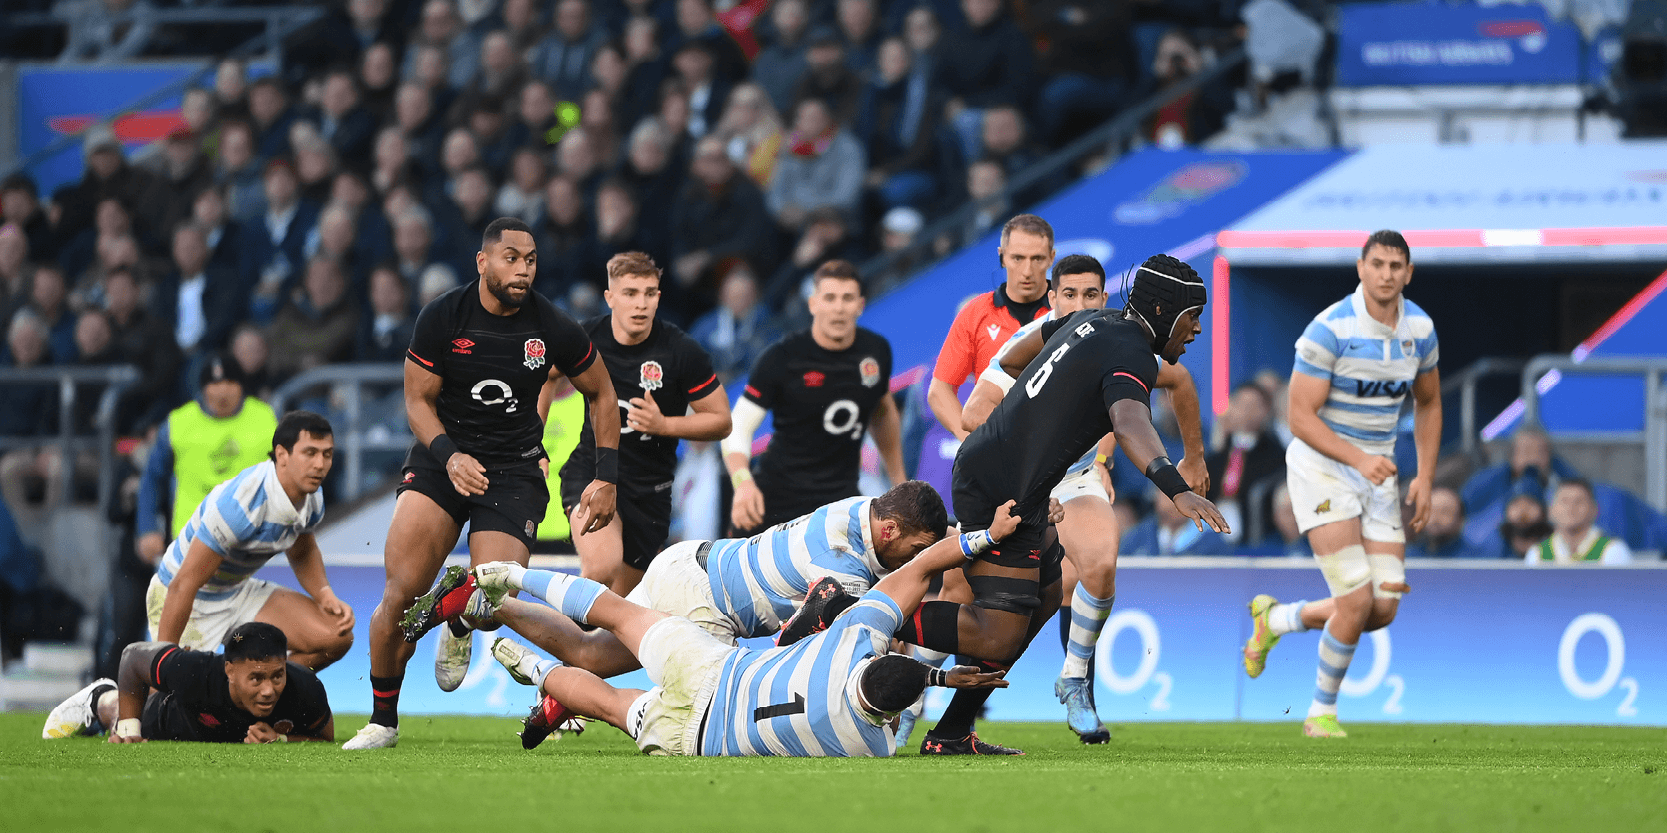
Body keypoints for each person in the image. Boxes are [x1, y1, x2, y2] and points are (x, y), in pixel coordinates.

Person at [880, 253, 1227, 755]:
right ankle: (862, 613)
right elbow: (1131, 425)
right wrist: (1178, 487)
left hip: (1011, 478)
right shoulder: (1127, 351)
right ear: (1161, 309)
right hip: (1001, 485)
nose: (1196, 329)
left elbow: (1017, 356)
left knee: (1044, 599)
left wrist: (1048, 408)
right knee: (997, 633)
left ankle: (952, 731)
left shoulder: (1093, 322)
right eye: (1192, 315)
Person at [407, 498, 1026, 757]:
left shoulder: (865, 518)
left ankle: (481, 607)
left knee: (594, 647)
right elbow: (801, 638)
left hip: (704, 570)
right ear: (891, 533)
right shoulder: (839, 572)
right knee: (593, 657)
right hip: (703, 605)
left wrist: (975, 536)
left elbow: (920, 558)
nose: (911, 553)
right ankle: (491, 598)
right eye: (914, 543)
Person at [343, 217, 620, 751]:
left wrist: (606, 476)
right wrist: (448, 457)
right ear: (483, 262)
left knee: (492, 597)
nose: (523, 269)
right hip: (440, 459)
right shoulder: (444, 316)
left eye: (531, 259)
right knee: (400, 592)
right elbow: (417, 402)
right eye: (511, 258)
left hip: (514, 470)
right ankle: (383, 722)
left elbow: (602, 394)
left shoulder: (552, 326)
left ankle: (460, 620)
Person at [1242, 230, 1441, 739]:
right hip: (1322, 466)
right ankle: (1320, 714)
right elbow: (1299, 416)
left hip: (1379, 472)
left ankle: (1277, 620)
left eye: (1397, 266)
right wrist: (1358, 457)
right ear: (1361, 267)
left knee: (1382, 608)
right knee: (1354, 601)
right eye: (1378, 263)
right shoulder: (1328, 330)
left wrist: (1426, 474)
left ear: (1409, 273)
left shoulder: (1420, 328)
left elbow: (1430, 401)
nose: (1387, 274)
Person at [561, 252, 731, 596]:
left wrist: (665, 425)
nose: (641, 304)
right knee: (600, 568)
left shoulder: (681, 351)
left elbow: (722, 421)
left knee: (621, 606)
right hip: (591, 472)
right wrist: (531, 439)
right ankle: (557, 637)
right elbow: (544, 376)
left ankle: (572, 641)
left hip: (650, 491)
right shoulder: (584, 338)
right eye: (630, 293)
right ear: (610, 298)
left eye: (649, 293)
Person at [148, 412, 352, 672]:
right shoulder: (242, 505)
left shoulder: (313, 497)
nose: (320, 464)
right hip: (185, 595)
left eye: (327, 454)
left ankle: (254, 691)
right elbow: (184, 584)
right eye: (310, 453)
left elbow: (301, 552)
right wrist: (165, 666)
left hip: (237, 591)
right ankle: (98, 702)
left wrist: (324, 593)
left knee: (336, 638)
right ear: (281, 455)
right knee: (170, 693)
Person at [722, 260, 906, 535]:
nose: (839, 308)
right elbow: (737, 426)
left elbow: (882, 411)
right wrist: (743, 482)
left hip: (839, 506)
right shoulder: (781, 357)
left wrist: (898, 481)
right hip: (772, 504)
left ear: (860, 305)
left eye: (847, 298)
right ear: (813, 304)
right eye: (829, 298)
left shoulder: (876, 351)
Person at [44, 622, 332, 743]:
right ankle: (99, 697)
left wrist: (281, 739)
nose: (269, 690)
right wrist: (129, 730)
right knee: (121, 719)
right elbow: (132, 657)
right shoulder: (195, 671)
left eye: (277, 676)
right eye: (256, 678)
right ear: (229, 670)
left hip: (216, 731)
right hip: (175, 718)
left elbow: (325, 739)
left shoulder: (305, 687)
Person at [136, 355, 278, 570]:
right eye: (215, 384)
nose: (222, 391)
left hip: (253, 545)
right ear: (202, 389)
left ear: (241, 387)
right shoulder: (179, 423)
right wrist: (147, 528)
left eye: (230, 383)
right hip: (191, 543)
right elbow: (153, 478)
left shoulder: (265, 419)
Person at [926, 213, 1053, 441]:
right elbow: (939, 391)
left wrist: (1102, 457)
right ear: (1002, 257)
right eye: (1017, 258)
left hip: (1063, 456)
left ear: (1051, 258)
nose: (1027, 270)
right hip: (1000, 453)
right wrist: (970, 442)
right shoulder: (975, 313)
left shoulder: (1068, 311)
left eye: (1037, 259)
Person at [1530, 478, 1633, 564]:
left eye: (1579, 501)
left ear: (1594, 509)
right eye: (1564, 501)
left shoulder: (1613, 551)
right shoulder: (1537, 554)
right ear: (1551, 511)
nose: (1571, 508)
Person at [1405, 486, 1476, 558]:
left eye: (1445, 512)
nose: (1435, 519)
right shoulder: (1409, 555)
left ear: (1461, 519)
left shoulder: (1476, 559)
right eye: (1430, 512)